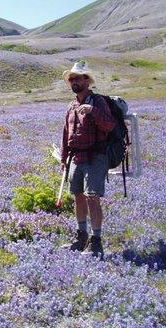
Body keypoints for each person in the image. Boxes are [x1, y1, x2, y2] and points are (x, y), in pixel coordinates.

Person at [60, 61, 115, 260]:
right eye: (71, 79)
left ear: (86, 80)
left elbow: (109, 125)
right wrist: (64, 156)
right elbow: (66, 131)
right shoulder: (71, 105)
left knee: (93, 197)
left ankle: (96, 242)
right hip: (76, 157)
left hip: (95, 157)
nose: (74, 82)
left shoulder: (98, 101)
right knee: (78, 196)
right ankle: (81, 237)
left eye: (78, 78)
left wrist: (93, 112)